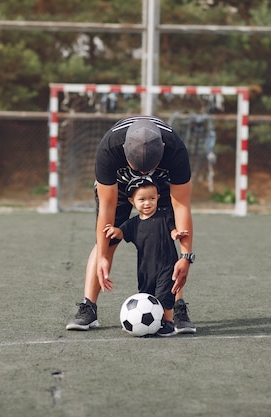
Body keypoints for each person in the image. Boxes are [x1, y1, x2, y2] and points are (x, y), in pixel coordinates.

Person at [65, 116, 197, 334]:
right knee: (105, 243)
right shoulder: (109, 150)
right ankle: (89, 307)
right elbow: (106, 209)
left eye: (149, 169)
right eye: (138, 168)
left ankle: (176, 307)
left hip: (160, 187)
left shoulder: (175, 150)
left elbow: (181, 206)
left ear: (162, 149)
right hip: (120, 184)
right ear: (124, 150)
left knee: (166, 240)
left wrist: (186, 257)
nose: (143, 174)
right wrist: (104, 256)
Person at [103, 177, 190, 336]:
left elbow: (172, 229)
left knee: (164, 296)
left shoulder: (164, 215)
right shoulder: (132, 224)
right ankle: (147, 324)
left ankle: (168, 323)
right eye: (142, 199)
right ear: (132, 201)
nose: (147, 203)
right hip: (145, 269)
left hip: (167, 266)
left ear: (157, 197)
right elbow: (122, 233)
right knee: (147, 296)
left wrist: (176, 234)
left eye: (151, 198)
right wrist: (115, 231)